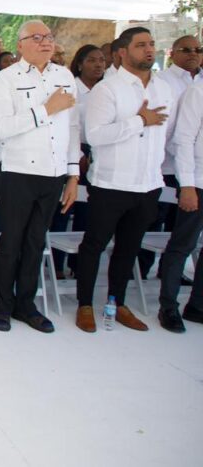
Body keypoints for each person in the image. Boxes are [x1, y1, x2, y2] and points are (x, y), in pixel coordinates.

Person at [75, 28, 174, 333]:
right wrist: (139, 121)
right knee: (94, 245)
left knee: (128, 248)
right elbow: (95, 135)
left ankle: (117, 303)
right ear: (122, 52)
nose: (149, 49)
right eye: (141, 45)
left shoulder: (163, 88)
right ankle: (85, 304)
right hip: (111, 184)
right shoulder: (108, 89)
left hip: (147, 183)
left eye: (151, 44)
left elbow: (166, 134)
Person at [0, 20, 80, 333]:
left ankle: (26, 304)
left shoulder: (64, 76)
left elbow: (73, 128)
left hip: (53, 173)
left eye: (48, 37)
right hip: (17, 171)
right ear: (21, 44)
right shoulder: (5, 79)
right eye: (37, 37)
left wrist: (73, 174)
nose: (45, 42)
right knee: (11, 242)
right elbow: (3, 128)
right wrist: (45, 109)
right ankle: (3, 305)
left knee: (36, 242)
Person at [158, 80, 203, 332]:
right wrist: (186, 184)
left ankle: (197, 305)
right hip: (197, 182)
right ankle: (168, 307)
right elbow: (183, 139)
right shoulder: (198, 91)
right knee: (182, 245)